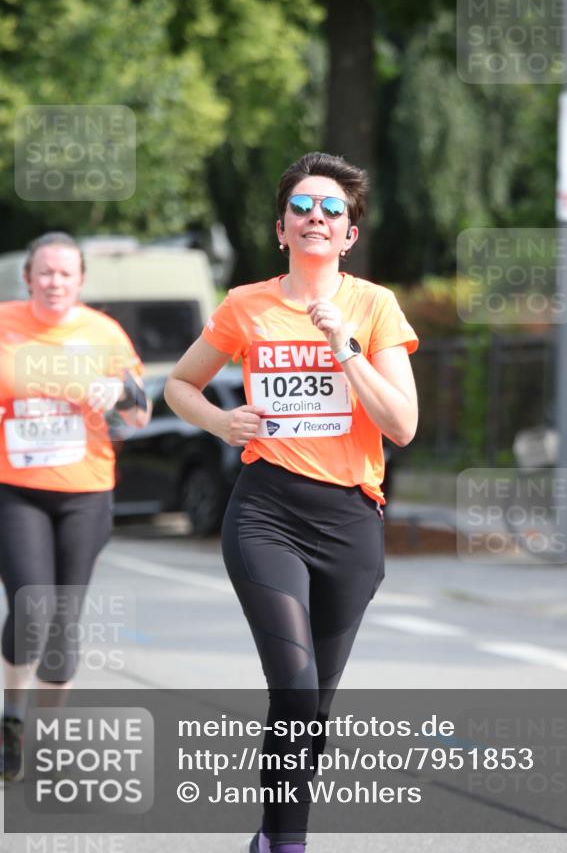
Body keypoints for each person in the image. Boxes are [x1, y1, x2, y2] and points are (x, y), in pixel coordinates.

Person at [165, 152, 418, 852]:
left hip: (348, 519)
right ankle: (289, 846)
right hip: (265, 511)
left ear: (348, 235)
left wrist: (345, 348)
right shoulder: (246, 305)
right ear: (281, 229)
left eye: (331, 210)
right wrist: (220, 421)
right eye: (302, 208)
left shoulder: (373, 307)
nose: (316, 217)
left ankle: (271, 833)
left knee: (311, 708)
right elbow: (180, 385)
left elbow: (401, 425)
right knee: (296, 691)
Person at [0, 232, 151, 780]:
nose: (55, 282)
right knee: (32, 607)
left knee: (64, 620)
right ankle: (13, 717)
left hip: (85, 490)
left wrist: (118, 393)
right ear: (28, 277)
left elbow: (142, 409)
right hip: (11, 486)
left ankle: (46, 735)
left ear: (80, 281)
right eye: (45, 273)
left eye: (65, 274)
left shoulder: (104, 333)